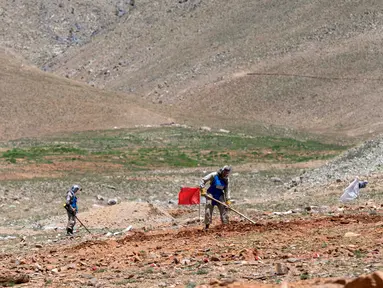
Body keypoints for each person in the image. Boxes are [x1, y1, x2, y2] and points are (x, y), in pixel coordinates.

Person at [200, 165, 232, 230]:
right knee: (208, 211)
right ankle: (207, 227)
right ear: (222, 170)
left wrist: (228, 200)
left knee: (224, 210)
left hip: (220, 195)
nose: (226, 173)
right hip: (210, 195)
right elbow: (203, 180)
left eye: (227, 172)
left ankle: (225, 226)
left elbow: (227, 190)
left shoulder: (226, 179)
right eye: (225, 171)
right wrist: (202, 190)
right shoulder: (214, 175)